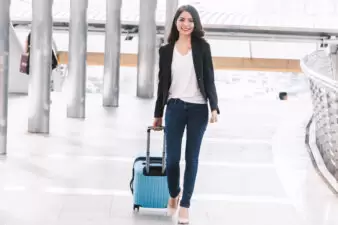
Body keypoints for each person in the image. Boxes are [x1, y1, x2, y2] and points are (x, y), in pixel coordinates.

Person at [152, 5, 220, 224]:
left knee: (192, 159)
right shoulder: (166, 50)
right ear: (176, 22)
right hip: (174, 107)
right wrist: (158, 113)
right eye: (182, 19)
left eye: (191, 20)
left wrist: (214, 107)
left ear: (195, 23)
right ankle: (174, 192)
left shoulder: (202, 47)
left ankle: (185, 205)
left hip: (199, 109)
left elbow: (209, 78)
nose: (186, 24)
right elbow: (163, 84)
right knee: (172, 160)